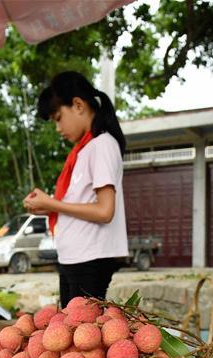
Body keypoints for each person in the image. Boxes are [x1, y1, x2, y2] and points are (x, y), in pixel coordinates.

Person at [22, 71, 128, 306]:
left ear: (78, 105)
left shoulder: (102, 145)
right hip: (75, 257)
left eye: (59, 118)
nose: (58, 128)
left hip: (90, 259)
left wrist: (51, 203)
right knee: (69, 334)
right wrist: (48, 207)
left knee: (82, 338)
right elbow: (80, 203)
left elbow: (104, 211)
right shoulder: (85, 150)